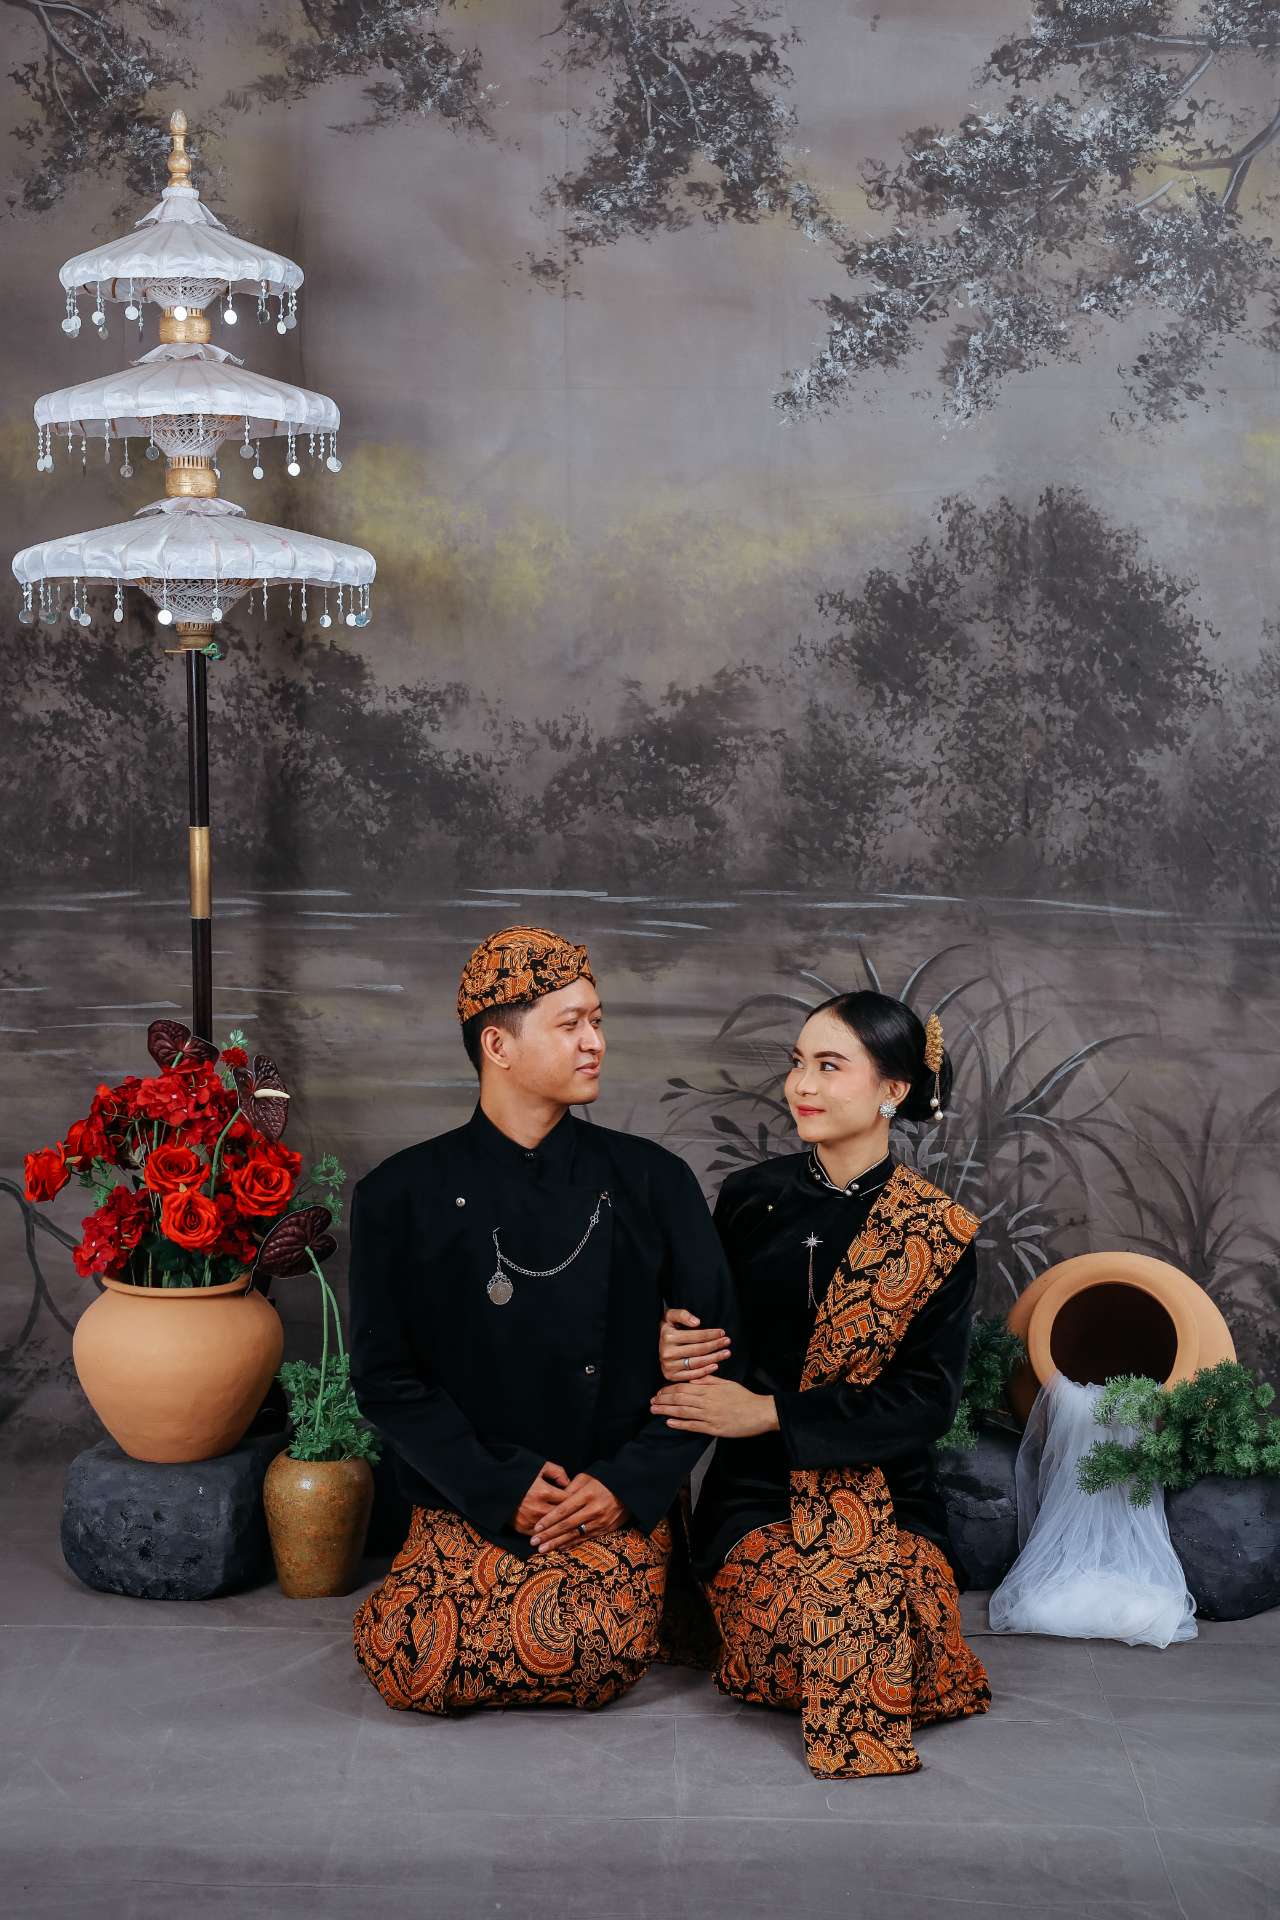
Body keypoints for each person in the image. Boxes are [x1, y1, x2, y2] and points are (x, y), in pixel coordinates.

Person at [349, 924, 739, 1715]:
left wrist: (626, 1484)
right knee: (415, 1660)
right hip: (468, 1489)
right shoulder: (399, 1194)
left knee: (582, 1653)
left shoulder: (654, 1181)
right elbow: (386, 1380)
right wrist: (496, 1485)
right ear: (497, 1045)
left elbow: (714, 1361)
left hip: (606, 1489)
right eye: (571, 1025)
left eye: (598, 1020)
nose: (596, 1042)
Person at [651, 990, 992, 1778]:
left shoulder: (936, 1231)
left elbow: (926, 1402)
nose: (801, 1085)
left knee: (916, 1650)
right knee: (796, 1636)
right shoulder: (749, 1199)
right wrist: (672, 1337)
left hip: (889, 1490)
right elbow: (707, 1335)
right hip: (760, 1491)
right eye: (798, 1063)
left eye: (829, 1066)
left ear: (892, 1089)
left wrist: (770, 1412)